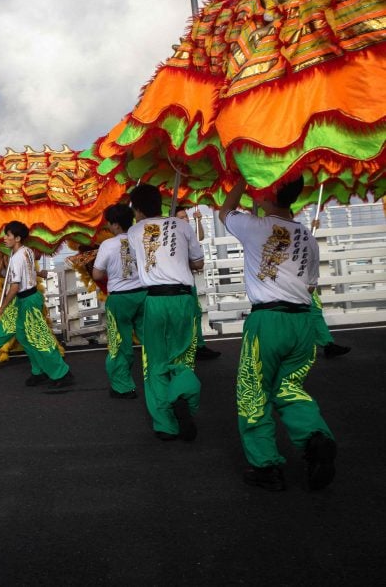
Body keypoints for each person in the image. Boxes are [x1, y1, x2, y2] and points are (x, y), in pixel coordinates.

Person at [219, 178, 336, 491]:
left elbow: (225, 212)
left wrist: (243, 181)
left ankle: (266, 465)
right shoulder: (307, 236)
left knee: (253, 390)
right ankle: (315, 437)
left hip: (267, 321)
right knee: (290, 387)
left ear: (266, 192)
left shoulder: (254, 227)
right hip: (302, 322)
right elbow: (310, 286)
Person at [127, 184, 204, 442]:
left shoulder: (134, 231)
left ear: (137, 209)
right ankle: (182, 395)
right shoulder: (182, 226)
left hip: (155, 299)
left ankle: (166, 425)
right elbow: (199, 262)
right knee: (183, 355)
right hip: (183, 298)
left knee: (156, 362)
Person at [0, 221, 73, 389]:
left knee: (40, 339)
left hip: (28, 300)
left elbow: (15, 286)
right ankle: (38, 371)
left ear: (17, 238)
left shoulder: (16, 258)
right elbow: (28, 271)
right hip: (29, 298)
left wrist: (2, 307)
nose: (5, 238)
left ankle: (62, 373)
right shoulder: (27, 251)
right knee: (24, 337)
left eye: (8, 235)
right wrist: (39, 272)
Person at [93, 204, 145, 399]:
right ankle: (161, 380)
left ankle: (123, 386)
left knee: (119, 343)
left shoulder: (108, 245)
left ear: (115, 224)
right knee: (150, 339)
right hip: (143, 294)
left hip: (119, 299)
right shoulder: (140, 240)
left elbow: (97, 274)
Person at [175, 208, 221, 361]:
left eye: (186, 217)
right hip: (179, 283)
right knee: (188, 315)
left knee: (195, 312)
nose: (185, 220)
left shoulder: (185, 233)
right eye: (181, 217)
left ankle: (198, 345)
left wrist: (198, 221)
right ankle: (189, 347)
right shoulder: (175, 237)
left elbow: (199, 236)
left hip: (189, 281)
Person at [307, 218, 351, 358]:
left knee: (314, 311)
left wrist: (311, 230)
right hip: (287, 284)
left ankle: (327, 344)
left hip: (303, 282)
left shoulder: (294, 231)